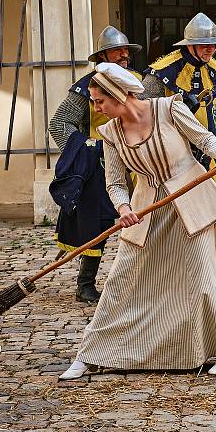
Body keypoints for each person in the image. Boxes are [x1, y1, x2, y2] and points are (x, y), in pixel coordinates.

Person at [58, 63, 216, 380]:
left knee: (202, 282)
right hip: (146, 211)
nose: (96, 108)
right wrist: (122, 206)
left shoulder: (168, 109)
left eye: (99, 101)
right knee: (122, 282)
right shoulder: (110, 132)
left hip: (193, 204)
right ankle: (91, 354)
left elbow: (204, 139)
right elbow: (115, 182)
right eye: (93, 101)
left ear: (118, 94)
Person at [48, 26, 144, 303]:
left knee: (145, 219)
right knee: (96, 224)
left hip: (138, 160)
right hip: (100, 162)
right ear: (103, 55)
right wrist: (85, 150)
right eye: (118, 51)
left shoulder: (137, 83)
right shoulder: (87, 87)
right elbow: (59, 123)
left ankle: (142, 281)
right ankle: (85, 284)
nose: (124, 55)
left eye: (127, 51)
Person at [140, 13, 216, 222]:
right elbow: (141, 109)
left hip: (205, 151)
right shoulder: (162, 71)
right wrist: (174, 107)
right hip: (173, 156)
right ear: (189, 45)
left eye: (213, 45)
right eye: (203, 44)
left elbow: (212, 94)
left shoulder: (213, 68)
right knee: (178, 218)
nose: (210, 49)